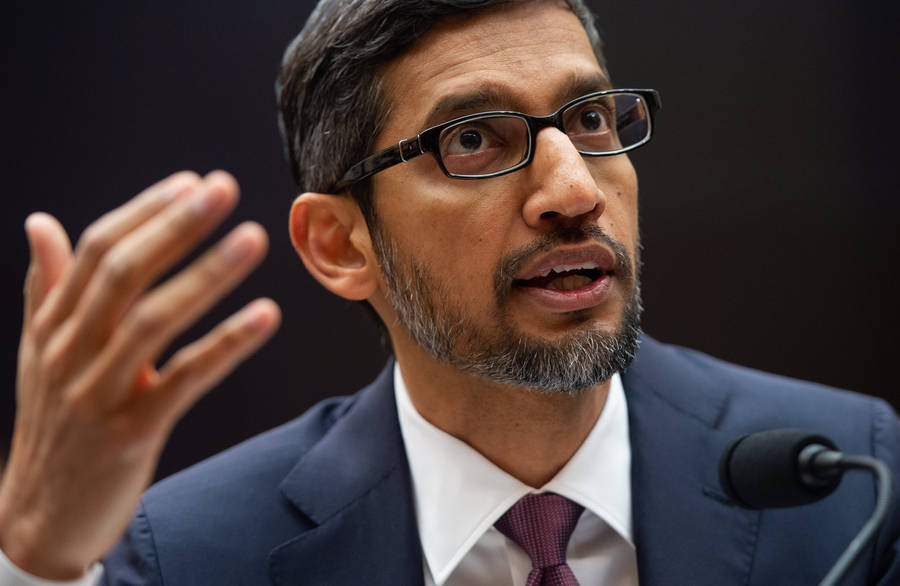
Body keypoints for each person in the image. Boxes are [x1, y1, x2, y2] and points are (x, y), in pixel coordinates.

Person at [0, 0, 898, 584]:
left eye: (589, 120)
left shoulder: (855, 482)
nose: (575, 191)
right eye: (473, 140)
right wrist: (38, 560)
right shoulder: (189, 555)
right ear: (342, 245)